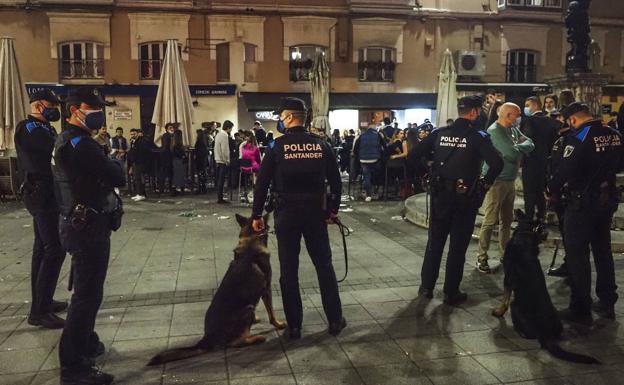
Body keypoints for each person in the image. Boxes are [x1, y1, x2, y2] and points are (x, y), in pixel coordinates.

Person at [251, 97, 345, 339]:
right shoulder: (322, 145)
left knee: (288, 271)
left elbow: (261, 185)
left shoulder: (275, 147)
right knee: (324, 267)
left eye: (281, 117)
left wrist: (256, 215)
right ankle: (335, 320)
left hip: (287, 215)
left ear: (289, 118)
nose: (280, 122)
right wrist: (332, 211)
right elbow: (336, 182)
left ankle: (294, 326)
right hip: (315, 214)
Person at [53, 87, 124, 385]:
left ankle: (85, 344)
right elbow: (117, 175)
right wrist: (113, 160)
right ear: (74, 111)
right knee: (86, 295)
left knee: (88, 292)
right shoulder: (80, 144)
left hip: (79, 223)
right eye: (92, 108)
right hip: (87, 227)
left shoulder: (68, 141)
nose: (99, 112)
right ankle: (73, 365)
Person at [408, 95, 503, 305]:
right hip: (465, 198)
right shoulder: (478, 136)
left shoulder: (439, 133)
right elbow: (497, 163)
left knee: (435, 243)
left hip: (440, 195)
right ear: (475, 112)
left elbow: (413, 156)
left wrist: (427, 174)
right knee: (458, 246)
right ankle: (451, 292)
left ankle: (426, 288)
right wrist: (484, 186)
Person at [549, 102, 623, 324]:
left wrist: (551, 189)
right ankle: (607, 300)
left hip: (581, 203)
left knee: (577, 254)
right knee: (602, 250)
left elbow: (564, 170)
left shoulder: (579, 137)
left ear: (572, 119)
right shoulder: (615, 134)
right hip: (606, 200)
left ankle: (580, 306)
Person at [14, 89, 67, 329]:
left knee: (42, 248)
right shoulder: (29, 128)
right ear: (37, 105)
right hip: (40, 192)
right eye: (50, 104)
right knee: (54, 249)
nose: (55, 107)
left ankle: (42, 301)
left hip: (47, 191)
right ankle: (40, 311)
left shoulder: (46, 128)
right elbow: (52, 150)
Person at [476, 103, 534, 273]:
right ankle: (482, 257)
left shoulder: (512, 130)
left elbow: (530, 143)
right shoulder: (495, 131)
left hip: (509, 180)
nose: (518, 119)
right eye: (516, 115)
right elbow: (511, 154)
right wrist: (519, 148)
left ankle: (505, 254)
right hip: (497, 181)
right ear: (507, 115)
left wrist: (519, 147)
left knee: (507, 220)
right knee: (490, 220)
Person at [521, 96, 558, 227]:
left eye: (527, 105)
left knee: (529, 192)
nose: (525, 108)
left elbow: (526, 141)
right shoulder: (550, 121)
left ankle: (529, 219)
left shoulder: (529, 121)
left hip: (530, 162)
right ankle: (541, 216)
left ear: (535, 105)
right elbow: (554, 142)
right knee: (540, 191)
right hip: (544, 162)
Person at [353, 124, 386, 202]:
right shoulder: (377, 135)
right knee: (376, 174)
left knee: (366, 177)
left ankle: (368, 195)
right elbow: (384, 146)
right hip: (375, 159)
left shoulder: (361, 136)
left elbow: (355, 149)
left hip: (363, 160)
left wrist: (359, 156)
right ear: (375, 129)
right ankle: (376, 190)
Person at [128, 129, 150, 201]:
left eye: (134, 134)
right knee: (136, 179)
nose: (132, 135)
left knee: (139, 179)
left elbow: (141, 153)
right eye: (131, 134)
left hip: (139, 163)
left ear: (137, 134)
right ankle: (138, 193)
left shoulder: (141, 141)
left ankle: (141, 194)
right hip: (135, 163)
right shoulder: (132, 141)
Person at [214, 120, 233, 203]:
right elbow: (225, 149)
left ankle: (219, 197)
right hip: (222, 160)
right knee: (222, 180)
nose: (231, 130)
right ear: (228, 128)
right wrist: (227, 160)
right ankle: (220, 198)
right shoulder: (224, 135)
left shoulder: (218, 135)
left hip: (218, 159)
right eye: (231, 128)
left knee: (219, 179)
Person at [158, 123, 175, 193]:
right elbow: (165, 147)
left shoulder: (172, 135)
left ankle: (169, 188)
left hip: (169, 157)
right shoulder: (166, 136)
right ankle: (162, 189)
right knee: (164, 174)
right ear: (166, 129)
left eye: (172, 127)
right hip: (166, 158)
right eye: (170, 127)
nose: (172, 129)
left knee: (170, 174)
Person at [170, 128, 186, 196]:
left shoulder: (173, 143)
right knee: (180, 175)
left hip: (174, 161)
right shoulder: (179, 144)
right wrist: (183, 156)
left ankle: (174, 189)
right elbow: (180, 153)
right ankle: (181, 190)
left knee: (176, 176)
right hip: (179, 161)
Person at [194, 128, 209, 194]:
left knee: (200, 175)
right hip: (203, 160)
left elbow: (196, 151)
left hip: (199, 160)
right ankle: (203, 188)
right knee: (203, 174)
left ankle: (200, 188)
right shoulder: (204, 142)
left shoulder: (198, 142)